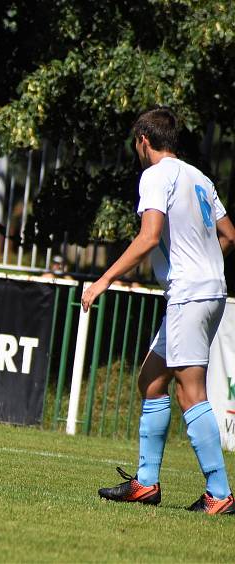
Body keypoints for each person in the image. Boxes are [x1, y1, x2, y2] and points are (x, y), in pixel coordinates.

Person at [81, 107, 235, 514]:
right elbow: (229, 235)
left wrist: (103, 280)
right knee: (151, 379)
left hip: (189, 292)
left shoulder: (155, 175)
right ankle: (146, 484)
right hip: (209, 289)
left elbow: (149, 237)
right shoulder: (198, 176)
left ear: (143, 141)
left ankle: (219, 493)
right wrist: (205, 264)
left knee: (191, 392)